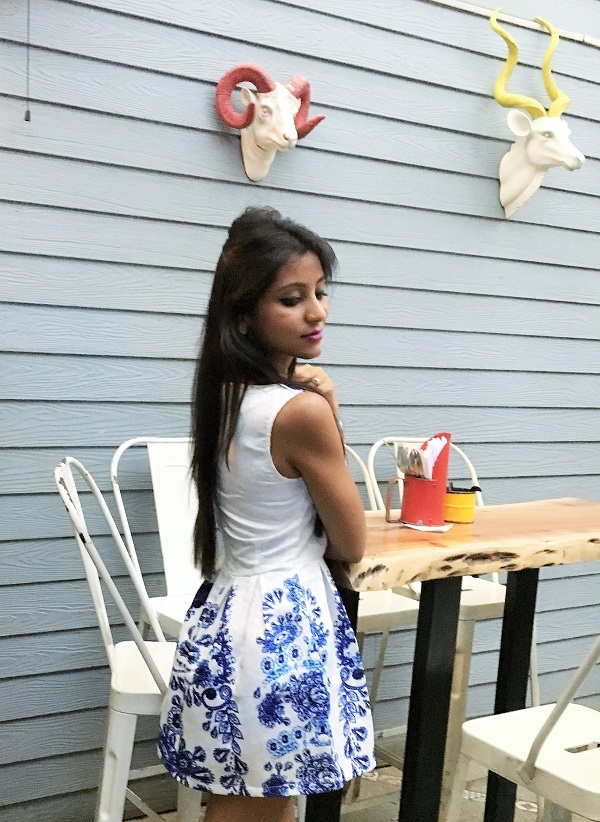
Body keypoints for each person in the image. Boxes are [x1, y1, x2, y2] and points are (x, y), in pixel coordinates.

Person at [158, 206, 375, 822]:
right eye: (291, 298)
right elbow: (352, 541)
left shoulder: (224, 394)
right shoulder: (299, 413)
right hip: (283, 628)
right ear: (244, 313)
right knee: (259, 808)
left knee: (253, 803)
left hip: (228, 615)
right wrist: (330, 414)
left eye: (320, 292)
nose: (317, 312)